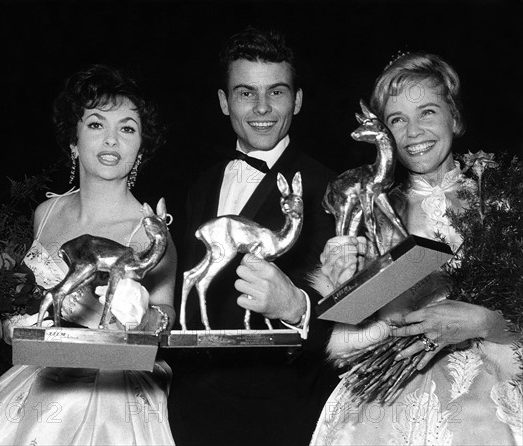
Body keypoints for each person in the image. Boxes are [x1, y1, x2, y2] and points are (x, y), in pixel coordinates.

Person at [0, 65, 178, 445]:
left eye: (126, 128)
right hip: (38, 377)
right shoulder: (46, 213)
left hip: (114, 390)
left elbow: (165, 319)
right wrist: (10, 320)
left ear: (140, 148)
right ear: (73, 139)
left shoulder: (151, 232)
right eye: (95, 125)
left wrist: (126, 315)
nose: (111, 140)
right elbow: (27, 300)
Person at [310, 53, 523, 445]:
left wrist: (488, 324)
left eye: (426, 112)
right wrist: (349, 287)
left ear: (454, 118)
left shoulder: (503, 202)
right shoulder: (375, 211)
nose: (413, 132)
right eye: (397, 120)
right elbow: (349, 348)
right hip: (384, 402)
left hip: (489, 406)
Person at [167, 27, 338, 446]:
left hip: (282, 415)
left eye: (276, 92)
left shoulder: (330, 188)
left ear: (296, 100)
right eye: (246, 93)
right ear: (224, 102)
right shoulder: (200, 186)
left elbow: (352, 310)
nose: (262, 107)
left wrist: (298, 308)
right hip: (189, 410)